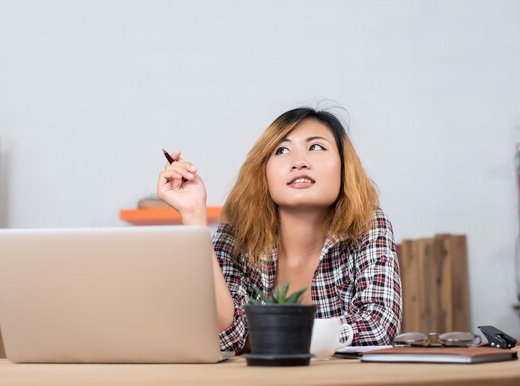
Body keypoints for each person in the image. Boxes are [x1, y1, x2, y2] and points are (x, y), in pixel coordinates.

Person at [157, 107, 402, 352]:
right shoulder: (236, 237)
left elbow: (379, 327)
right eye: (282, 150)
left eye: (316, 147)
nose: (299, 162)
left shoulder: (368, 226)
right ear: (263, 172)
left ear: (344, 166)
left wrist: (267, 334)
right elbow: (226, 336)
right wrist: (193, 214)